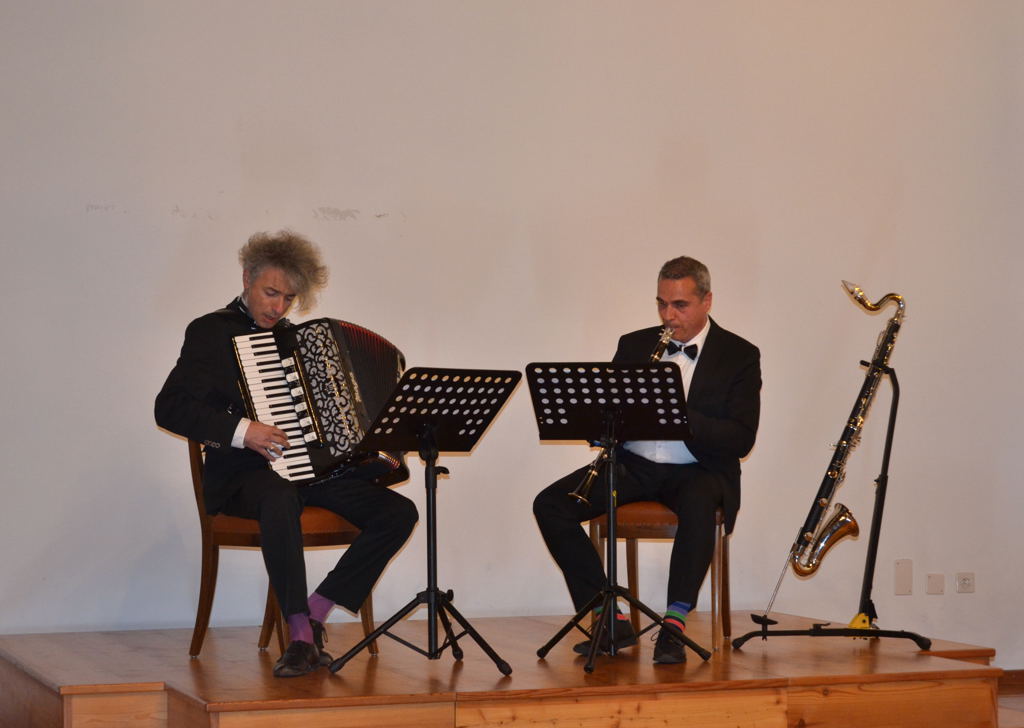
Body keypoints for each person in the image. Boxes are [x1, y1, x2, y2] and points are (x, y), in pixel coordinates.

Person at [155, 230, 418, 677]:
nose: (278, 307)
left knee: (399, 513)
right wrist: (244, 431)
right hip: (242, 475)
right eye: (270, 292)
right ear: (247, 279)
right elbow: (170, 407)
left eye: (289, 298)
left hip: (310, 474)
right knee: (279, 496)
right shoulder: (211, 332)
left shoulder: (296, 341)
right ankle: (298, 635)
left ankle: (316, 611)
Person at [533, 255, 760, 664]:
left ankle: (674, 625)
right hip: (633, 465)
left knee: (699, 501)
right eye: (662, 304)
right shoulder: (634, 344)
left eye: (680, 305)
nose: (668, 316)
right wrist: (597, 420)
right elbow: (608, 410)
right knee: (551, 505)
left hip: (698, 468)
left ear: (707, 301)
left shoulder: (739, 354)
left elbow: (741, 437)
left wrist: (677, 412)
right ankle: (607, 615)